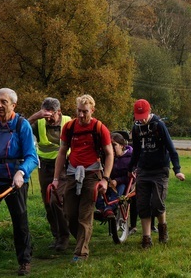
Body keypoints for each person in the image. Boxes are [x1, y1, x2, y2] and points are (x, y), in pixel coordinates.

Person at [0, 88, 38, 277]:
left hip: (15, 181)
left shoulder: (22, 125)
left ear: (13, 105)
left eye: (3, 102)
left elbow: (32, 157)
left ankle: (24, 261)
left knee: (20, 221)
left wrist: (21, 172)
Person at [51, 94, 113, 263]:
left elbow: (109, 154)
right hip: (72, 174)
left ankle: (81, 252)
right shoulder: (69, 127)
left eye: (85, 112)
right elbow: (62, 152)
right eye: (79, 111)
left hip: (92, 174)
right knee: (70, 214)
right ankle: (81, 239)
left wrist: (105, 179)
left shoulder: (100, 128)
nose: (81, 115)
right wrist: (56, 179)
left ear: (92, 111)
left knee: (84, 214)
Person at [129, 99, 185, 249]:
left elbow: (171, 148)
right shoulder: (136, 129)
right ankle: (146, 238)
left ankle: (162, 229)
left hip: (160, 169)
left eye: (143, 115)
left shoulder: (158, 125)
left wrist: (177, 170)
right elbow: (136, 151)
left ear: (150, 111)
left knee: (157, 204)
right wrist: (130, 168)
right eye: (138, 116)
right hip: (143, 169)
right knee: (142, 205)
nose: (141, 119)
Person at [27, 97, 71, 252]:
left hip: (65, 167)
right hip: (44, 167)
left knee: (56, 201)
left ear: (59, 112)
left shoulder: (68, 122)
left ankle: (64, 236)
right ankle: (57, 235)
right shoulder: (38, 123)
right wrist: (35, 117)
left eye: (51, 115)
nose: (49, 120)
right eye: (45, 115)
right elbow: (20, 128)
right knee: (47, 203)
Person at [95, 132, 132, 218]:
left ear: (122, 146)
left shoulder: (129, 159)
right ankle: (100, 208)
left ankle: (110, 208)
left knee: (121, 186)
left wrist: (118, 181)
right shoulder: (107, 157)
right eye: (109, 145)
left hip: (122, 184)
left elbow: (130, 177)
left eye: (114, 145)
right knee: (95, 186)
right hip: (108, 181)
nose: (111, 148)